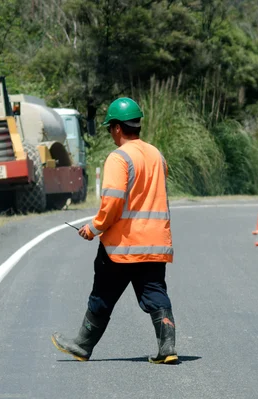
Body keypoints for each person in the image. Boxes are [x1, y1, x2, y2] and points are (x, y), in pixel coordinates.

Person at [51, 97, 177, 364]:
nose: (110, 132)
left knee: (102, 295)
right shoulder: (157, 155)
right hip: (155, 244)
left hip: (121, 247)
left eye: (110, 128)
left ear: (118, 128)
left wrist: (93, 228)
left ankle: (82, 346)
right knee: (156, 293)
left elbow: (113, 202)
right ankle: (168, 348)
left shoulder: (119, 158)